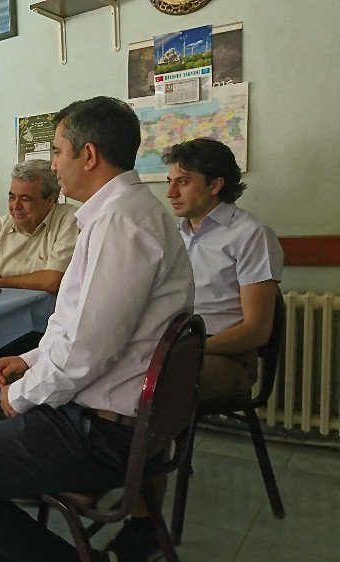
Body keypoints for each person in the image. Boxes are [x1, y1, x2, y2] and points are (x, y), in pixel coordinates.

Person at [0, 96, 194, 562]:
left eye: (58, 152)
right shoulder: (121, 214)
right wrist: (27, 361)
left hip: (102, 428)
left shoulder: (120, 224)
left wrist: (23, 393)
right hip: (107, 404)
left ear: (88, 156)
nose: (55, 164)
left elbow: (86, 351)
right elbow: (77, 325)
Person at [103, 138, 284, 562]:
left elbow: (257, 330)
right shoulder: (174, 236)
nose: (170, 192)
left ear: (216, 184)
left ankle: (144, 525)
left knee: (153, 389)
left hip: (228, 360)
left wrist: (186, 353)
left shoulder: (251, 235)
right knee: (108, 370)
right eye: (170, 182)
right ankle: (105, 479)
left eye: (183, 182)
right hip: (175, 350)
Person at [0, 159, 78, 381]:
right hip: (5, 320)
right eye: (12, 196)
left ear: (51, 200)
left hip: (49, 327)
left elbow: (52, 280)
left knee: (10, 349)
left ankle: (7, 401)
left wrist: (2, 282)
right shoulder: (1, 225)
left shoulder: (69, 219)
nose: (15, 206)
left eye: (25, 198)